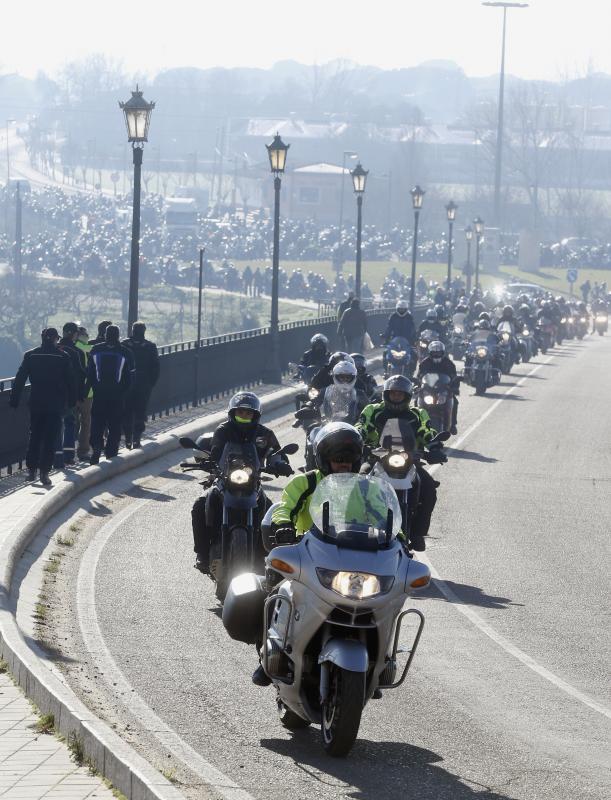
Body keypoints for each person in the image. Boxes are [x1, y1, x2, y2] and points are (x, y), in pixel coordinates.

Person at [252, 422, 364, 686]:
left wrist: (401, 541)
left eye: (349, 460)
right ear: (325, 459)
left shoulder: (365, 487)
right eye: (338, 459)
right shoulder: (306, 482)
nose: (343, 465)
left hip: (354, 556)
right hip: (309, 553)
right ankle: (267, 655)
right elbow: (285, 507)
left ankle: (376, 661)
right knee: (276, 590)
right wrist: (283, 527)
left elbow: (386, 516)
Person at [191, 392, 292, 574]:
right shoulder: (223, 430)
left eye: (248, 413)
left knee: (272, 514)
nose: (244, 416)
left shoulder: (264, 434)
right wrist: (208, 461)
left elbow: (274, 452)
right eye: (241, 412)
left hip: (253, 482)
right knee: (199, 506)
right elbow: (215, 450)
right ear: (233, 413)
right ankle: (203, 555)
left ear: (256, 415)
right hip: (225, 479)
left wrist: (280, 464)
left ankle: (263, 555)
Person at [356, 375, 446, 552]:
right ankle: (357, 527)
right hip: (377, 459)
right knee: (359, 484)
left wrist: (434, 445)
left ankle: (418, 533)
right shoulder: (373, 410)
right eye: (393, 393)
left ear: (407, 396)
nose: (396, 397)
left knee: (429, 488)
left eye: (400, 394)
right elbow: (362, 426)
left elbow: (426, 430)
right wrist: (358, 439)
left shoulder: (417, 413)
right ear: (386, 394)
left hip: (409, 461)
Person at [9, 328, 76, 486]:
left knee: (35, 436)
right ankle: (44, 473)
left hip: (36, 402)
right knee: (50, 438)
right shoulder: (62, 356)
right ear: (55, 339)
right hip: (55, 404)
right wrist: (72, 401)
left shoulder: (31, 355)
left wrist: (14, 399)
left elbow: (20, 378)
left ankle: (31, 470)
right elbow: (71, 382)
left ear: (42, 338)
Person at [86, 325, 134, 463]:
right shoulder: (126, 352)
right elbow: (129, 377)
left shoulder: (96, 350)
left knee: (97, 422)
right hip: (117, 396)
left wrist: (92, 388)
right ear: (118, 336)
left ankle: (96, 446)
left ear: (106, 335)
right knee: (114, 424)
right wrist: (124, 392)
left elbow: (90, 373)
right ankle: (111, 452)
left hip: (99, 394)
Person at [121, 321, 160, 449]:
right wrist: (150, 383)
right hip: (144, 384)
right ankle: (137, 438)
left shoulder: (124, 345)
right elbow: (156, 368)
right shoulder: (150, 346)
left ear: (132, 331)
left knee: (127, 411)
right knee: (140, 411)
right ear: (144, 331)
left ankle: (127, 438)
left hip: (126, 383)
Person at [55, 322, 87, 467]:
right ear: (75, 334)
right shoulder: (76, 352)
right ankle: (68, 456)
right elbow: (80, 376)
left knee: (55, 425)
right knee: (69, 424)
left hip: (54, 395)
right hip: (70, 396)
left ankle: (56, 456)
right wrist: (80, 395)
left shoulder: (54, 349)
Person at [417, 341, 460, 435]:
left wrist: (455, 387)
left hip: (443, 390)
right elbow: (419, 376)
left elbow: (454, 377)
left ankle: (452, 424)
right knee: (416, 401)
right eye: (434, 353)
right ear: (430, 353)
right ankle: (416, 424)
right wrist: (417, 386)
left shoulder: (449, 363)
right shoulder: (424, 363)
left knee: (455, 402)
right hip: (428, 389)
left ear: (443, 353)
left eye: (438, 353)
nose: (436, 355)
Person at [74, 325, 93, 461]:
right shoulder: (89, 349)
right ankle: (83, 451)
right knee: (85, 422)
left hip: (71, 391)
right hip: (88, 392)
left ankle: (66, 450)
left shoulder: (70, 348)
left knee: (69, 422)